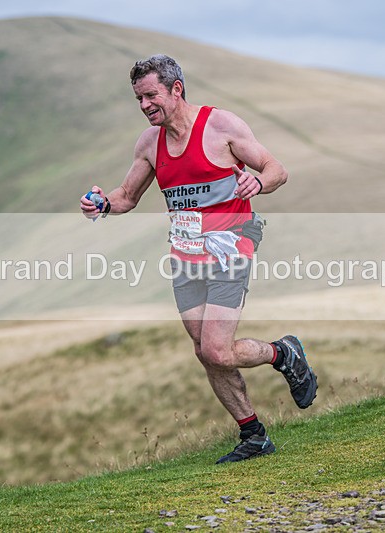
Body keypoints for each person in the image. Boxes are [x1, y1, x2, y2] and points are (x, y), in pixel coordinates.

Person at [80, 54, 317, 463]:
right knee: (202, 348)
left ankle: (284, 353)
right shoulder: (149, 144)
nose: (144, 106)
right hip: (186, 252)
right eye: (138, 98)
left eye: (151, 95)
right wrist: (101, 203)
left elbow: (276, 169)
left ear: (176, 89)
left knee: (218, 350)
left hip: (231, 243)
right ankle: (254, 435)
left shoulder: (221, 126)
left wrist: (257, 181)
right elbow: (127, 197)